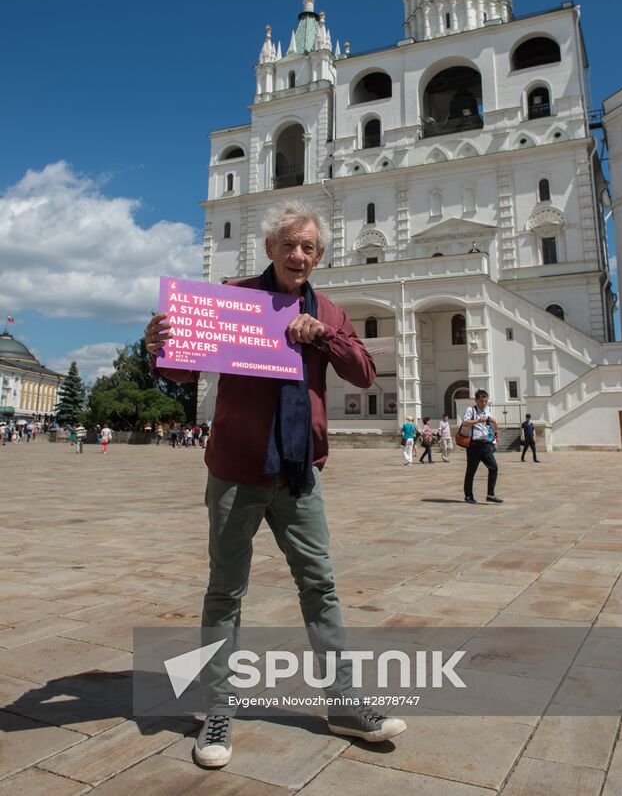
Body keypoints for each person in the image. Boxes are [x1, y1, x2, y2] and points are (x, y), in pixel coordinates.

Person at [144, 200, 406, 770]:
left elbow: (363, 371)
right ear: (269, 249)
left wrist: (323, 339)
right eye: (289, 244)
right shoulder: (235, 298)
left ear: (318, 256)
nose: (298, 254)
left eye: (309, 247)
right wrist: (159, 342)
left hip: (297, 473)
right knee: (225, 593)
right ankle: (218, 710)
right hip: (237, 469)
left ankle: (343, 702)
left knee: (321, 584)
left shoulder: (329, 310)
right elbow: (184, 367)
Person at [460, 390, 503, 504]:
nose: (484, 403)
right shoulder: (471, 410)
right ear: (476, 400)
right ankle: (468, 495)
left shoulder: (487, 412)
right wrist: (478, 420)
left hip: (485, 444)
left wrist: (495, 423)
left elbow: (492, 428)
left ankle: (490, 494)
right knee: (471, 470)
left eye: (485, 401)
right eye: (481, 401)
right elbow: (465, 423)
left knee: (494, 468)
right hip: (474, 445)